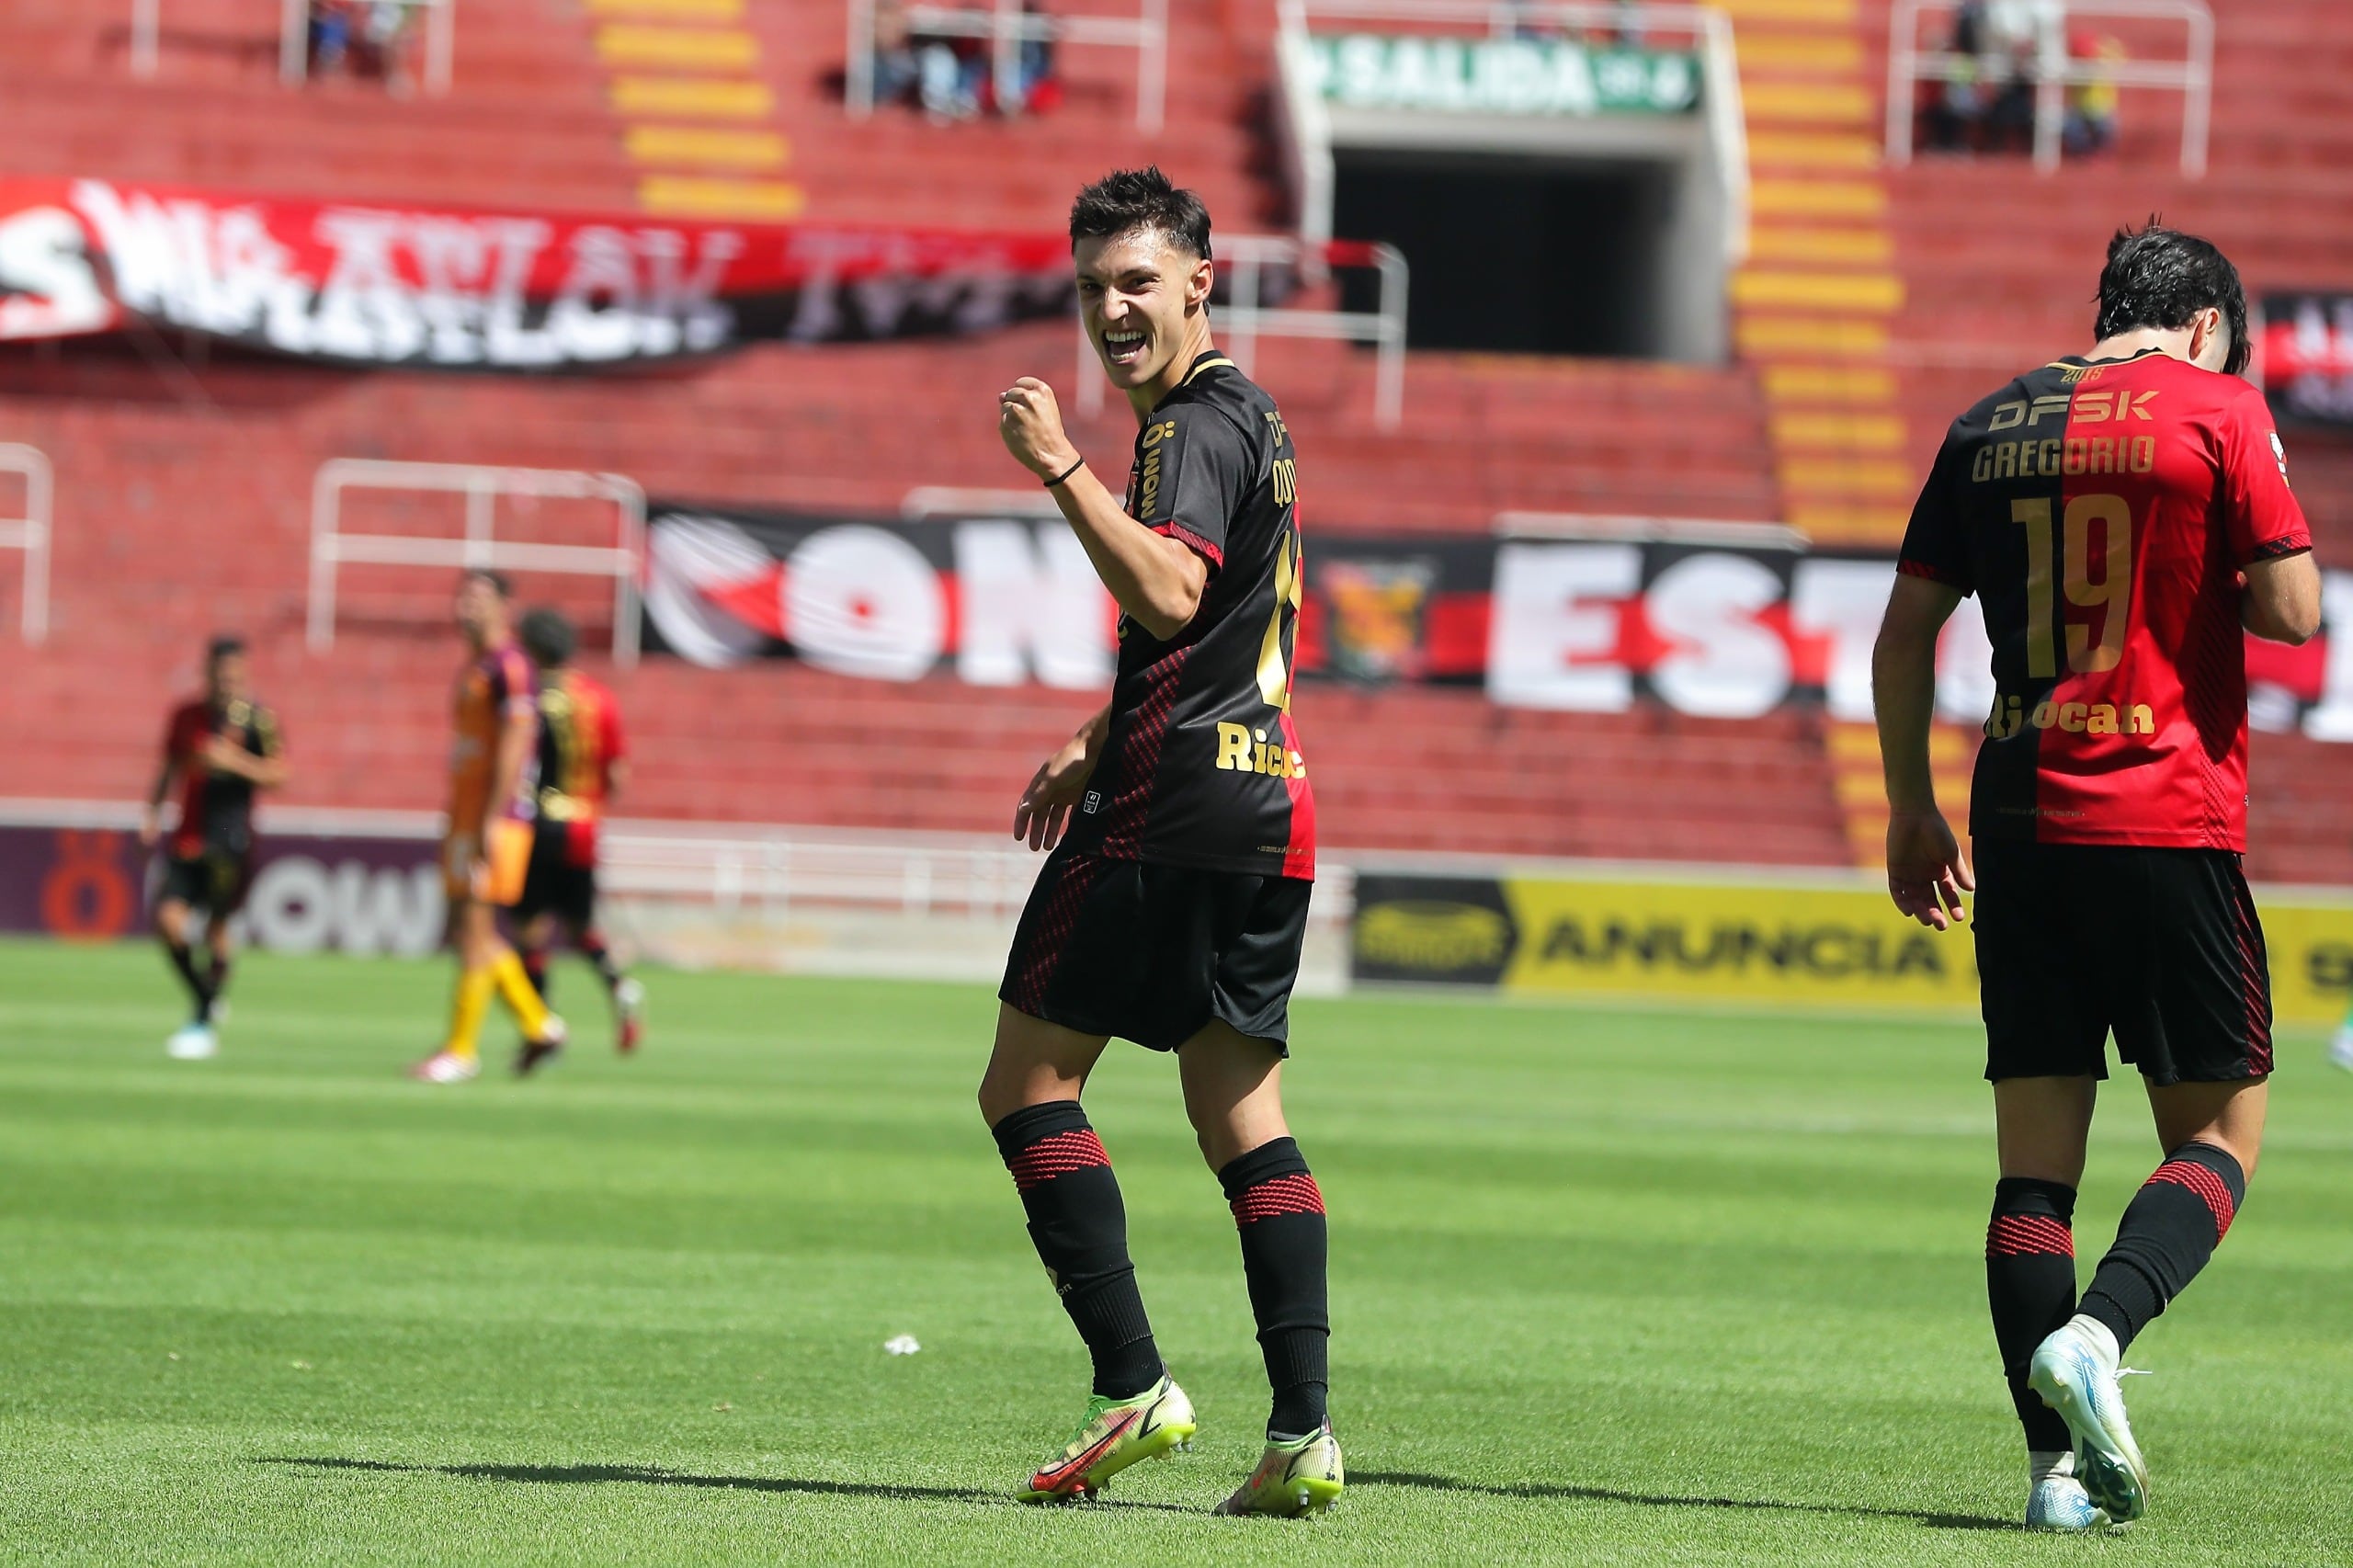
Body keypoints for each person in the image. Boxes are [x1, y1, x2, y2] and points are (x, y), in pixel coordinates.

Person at [1873, 224, 2321, 1531]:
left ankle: (2051, 1477)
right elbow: (2295, 613)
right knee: (2220, 1138)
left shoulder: (1986, 422)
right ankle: (2099, 1334)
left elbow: (1905, 636)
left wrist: (1911, 807)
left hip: (2016, 815)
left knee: (2034, 1172)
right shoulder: (2222, 410)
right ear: (2201, 328)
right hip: (2166, 816)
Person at [985, 166, 1337, 1517]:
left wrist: (1061, 465)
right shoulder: (1255, 414)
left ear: (1201, 282)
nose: (1111, 310)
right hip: (1266, 799)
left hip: (1167, 811)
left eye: (1135, 283)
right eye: (1091, 289)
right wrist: (1100, 720)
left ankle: (1131, 1380)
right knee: (1244, 1114)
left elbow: (1179, 588)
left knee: (1025, 1088)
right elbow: (1230, 624)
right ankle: (1304, 1429)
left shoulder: (1183, 425)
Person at [412, 571, 567, 1084]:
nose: (465, 608)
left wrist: (492, 817)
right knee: (466, 931)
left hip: (493, 818)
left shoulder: (511, 666)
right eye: (461, 598)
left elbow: (514, 745)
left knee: (477, 931)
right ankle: (539, 1024)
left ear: (504, 606)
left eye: (478, 599)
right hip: (467, 814)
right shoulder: (476, 667)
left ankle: (461, 1050)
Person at [141, 636, 288, 1061]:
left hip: (232, 841)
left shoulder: (259, 720)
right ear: (208, 673)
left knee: (217, 931)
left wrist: (233, 762)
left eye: (235, 675)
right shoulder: (187, 715)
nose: (227, 682)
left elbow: (280, 775)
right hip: (187, 838)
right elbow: (169, 767)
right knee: (168, 922)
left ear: (244, 675)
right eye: (220, 674)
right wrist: (150, 816)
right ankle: (206, 998)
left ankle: (202, 1020)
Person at [512, 608, 644, 1063]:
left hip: (538, 826)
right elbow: (618, 774)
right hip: (585, 825)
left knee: (530, 930)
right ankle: (620, 986)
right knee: (580, 927)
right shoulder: (601, 699)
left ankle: (543, 1024)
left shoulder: (530, 700)